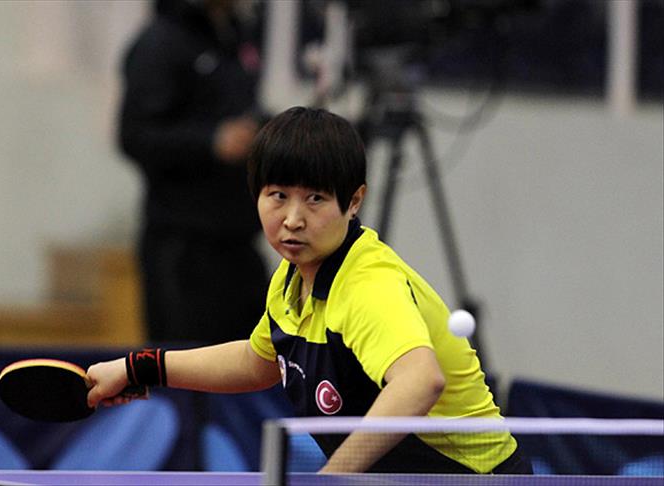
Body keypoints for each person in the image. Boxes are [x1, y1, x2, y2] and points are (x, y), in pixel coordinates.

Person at [88, 107, 532, 474]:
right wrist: (139, 368)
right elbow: (257, 362)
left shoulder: (367, 285)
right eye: (277, 195)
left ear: (353, 201)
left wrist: (333, 477)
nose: (293, 219)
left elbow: (421, 381)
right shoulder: (292, 277)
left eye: (315, 198)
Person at [118, 0, 268, 344]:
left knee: (258, 359)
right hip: (184, 247)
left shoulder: (237, 35)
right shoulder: (161, 42)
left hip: (240, 239)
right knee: (186, 366)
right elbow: (135, 135)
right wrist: (211, 141)